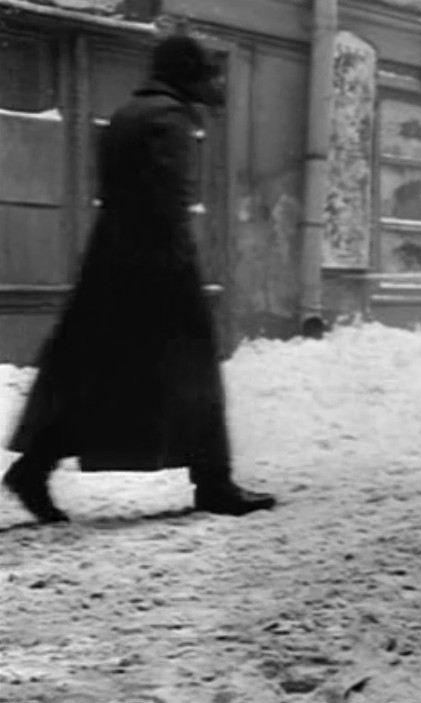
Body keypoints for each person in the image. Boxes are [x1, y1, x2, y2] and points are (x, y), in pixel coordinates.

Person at [2, 34, 276, 522]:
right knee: (195, 373)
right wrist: (182, 269)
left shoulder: (128, 114)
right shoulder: (170, 121)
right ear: (187, 74)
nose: (214, 83)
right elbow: (167, 203)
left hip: (110, 261)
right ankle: (214, 484)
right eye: (208, 74)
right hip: (157, 263)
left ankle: (34, 467)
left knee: (92, 373)